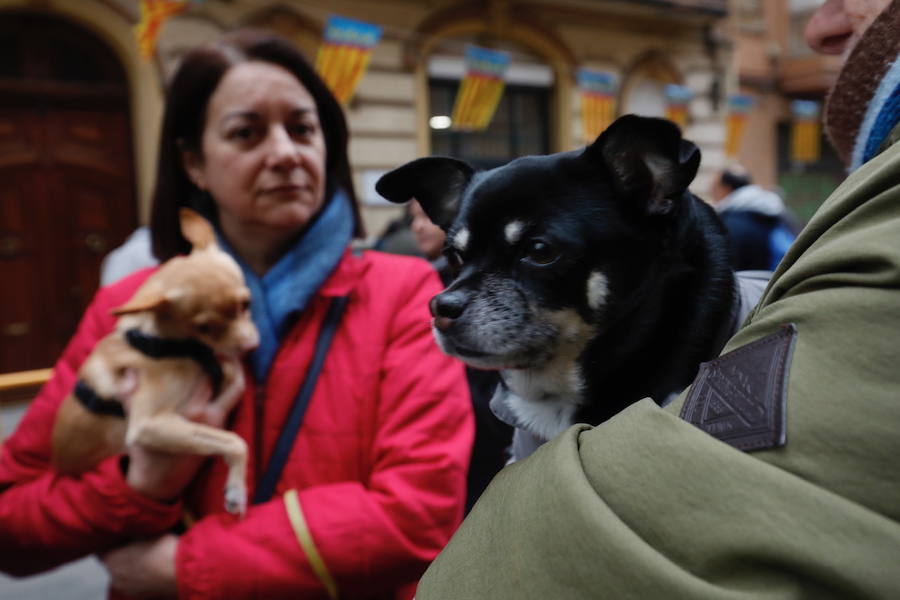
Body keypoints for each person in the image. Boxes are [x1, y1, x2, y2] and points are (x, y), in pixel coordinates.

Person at [414, 0, 900, 597]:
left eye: (539, 253)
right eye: (458, 262)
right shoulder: (522, 405)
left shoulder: (765, 339)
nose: (451, 301)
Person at [0, 29, 473, 600]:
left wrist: (187, 566)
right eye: (246, 133)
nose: (285, 153)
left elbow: (419, 513)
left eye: (302, 129)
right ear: (194, 162)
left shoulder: (401, 293)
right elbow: (13, 520)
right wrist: (141, 483)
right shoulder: (131, 309)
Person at [407, 199, 513, 512]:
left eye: (426, 216)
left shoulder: (469, 282)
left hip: (480, 444)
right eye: (413, 218)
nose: (418, 226)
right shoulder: (425, 276)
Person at [709, 165, 801, 271]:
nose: (712, 193)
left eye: (714, 188)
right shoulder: (777, 210)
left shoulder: (726, 223)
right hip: (777, 281)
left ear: (726, 188)